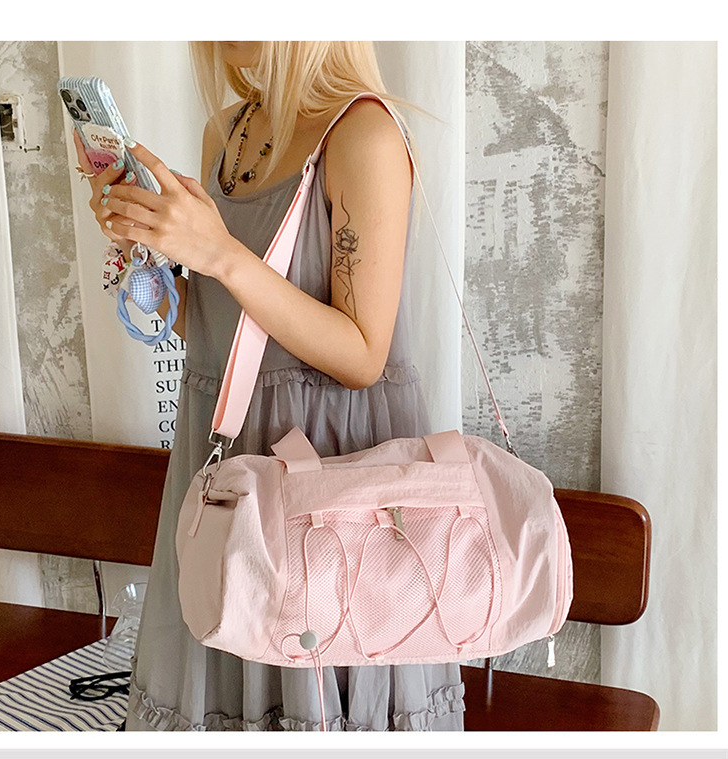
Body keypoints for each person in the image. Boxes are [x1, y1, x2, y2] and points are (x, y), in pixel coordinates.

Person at [74, 40, 465, 731]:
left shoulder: (364, 133)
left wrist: (219, 252)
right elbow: (220, 333)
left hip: (331, 482)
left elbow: (362, 355)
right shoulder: (226, 134)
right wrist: (148, 253)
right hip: (228, 459)